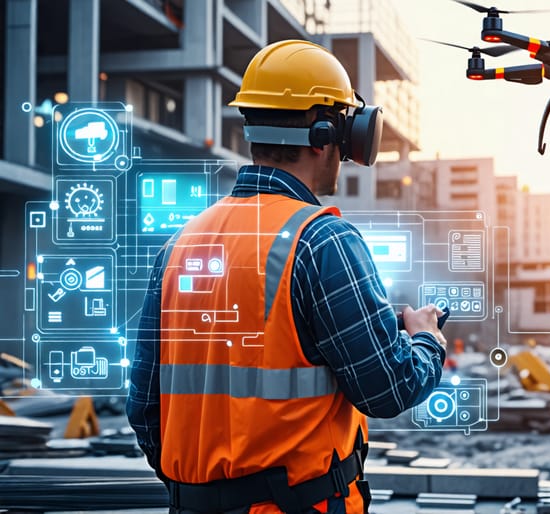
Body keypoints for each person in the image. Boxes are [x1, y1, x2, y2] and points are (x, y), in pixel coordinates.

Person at [126, 40, 447, 514]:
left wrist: (205, 490)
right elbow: (387, 388)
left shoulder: (179, 245)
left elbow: (144, 408)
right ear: (327, 135)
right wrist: (427, 340)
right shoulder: (323, 242)